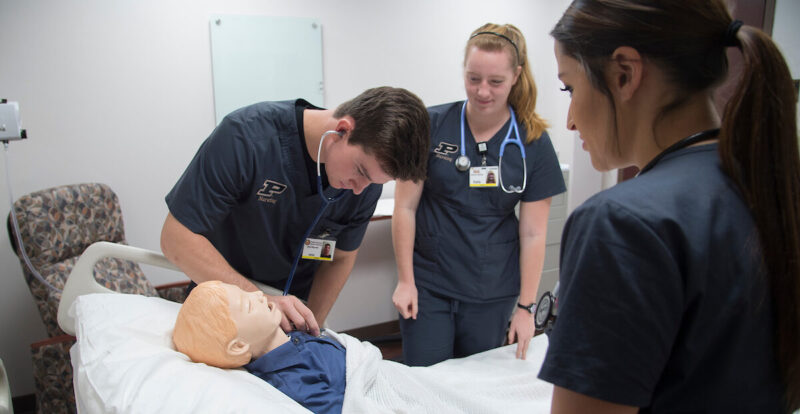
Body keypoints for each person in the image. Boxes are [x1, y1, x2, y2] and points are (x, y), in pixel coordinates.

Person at [540, 1, 800, 412]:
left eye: (569, 88)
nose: (570, 120)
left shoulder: (622, 223)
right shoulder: (770, 192)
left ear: (624, 74)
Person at [162, 87, 430, 336]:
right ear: (342, 130)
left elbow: (340, 257)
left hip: (289, 316)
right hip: (222, 303)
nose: (360, 190)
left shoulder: (363, 186)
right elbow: (176, 238)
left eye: (374, 181)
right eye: (360, 171)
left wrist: (310, 329)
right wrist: (262, 302)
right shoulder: (246, 138)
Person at [392, 23, 566, 366]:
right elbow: (405, 207)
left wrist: (526, 308)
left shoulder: (533, 141)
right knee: (424, 380)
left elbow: (533, 233)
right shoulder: (430, 125)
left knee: (476, 382)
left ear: (516, 76)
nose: (482, 91)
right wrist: (405, 281)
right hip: (429, 285)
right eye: (473, 79)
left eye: (496, 81)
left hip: (492, 291)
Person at [173, 281, 346, 414]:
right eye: (248, 305)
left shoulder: (292, 334)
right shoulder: (294, 382)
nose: (258, 294)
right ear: (239, 346)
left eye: (246, 293)